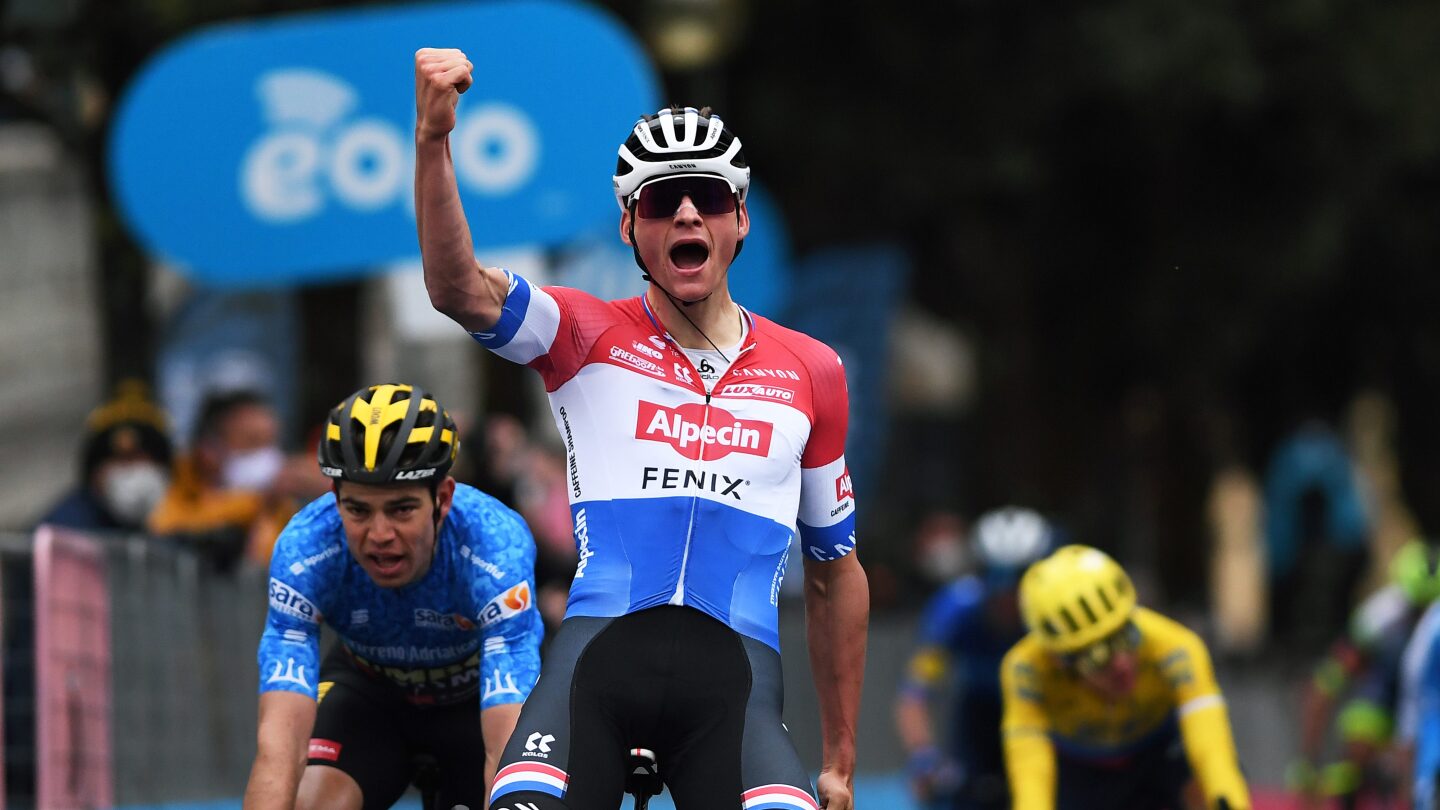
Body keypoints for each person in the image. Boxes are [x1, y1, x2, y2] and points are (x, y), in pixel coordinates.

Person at [414, 49, 869, 810]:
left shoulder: (812, 369)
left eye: (707, 198)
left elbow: (833, 570)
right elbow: (455, 286)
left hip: (737, 689)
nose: (687, 214)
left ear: (740, 219)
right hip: (595, 668)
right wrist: (433, 140)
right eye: (662, 203)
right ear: (630, 226)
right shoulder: (585, 332)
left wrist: (842, 759)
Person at [240, 383, 542, 810]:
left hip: (475, 701)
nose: (380, 535)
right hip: (369, 695)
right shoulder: (306, 549)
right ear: (335, 499)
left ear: (443, 499)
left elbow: (505, 742)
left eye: (401, 509)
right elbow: (279, 748)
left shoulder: (494, 546)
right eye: (358, 510)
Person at [1000, 545, 1250, 810]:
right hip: (1081, 772)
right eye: (1097, 656)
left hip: (1158, 757)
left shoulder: (1176, 646)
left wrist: (1228, 800)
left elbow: (1211, 748)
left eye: (1125, 635)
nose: (1121, 663)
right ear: (1058, 660)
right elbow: (1030, 769)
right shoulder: (1025, 668)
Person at [895, 506, 1055, 809]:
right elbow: (914, 696)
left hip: (1044, 717)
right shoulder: (955, 608)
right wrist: (923, 757)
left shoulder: (1052, 611)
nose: (1007, 593)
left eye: (1019, 578)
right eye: (996, 577)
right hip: (976, 723)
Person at [1289, 538, 1440, 809]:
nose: (1422, 621)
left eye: (1429, 610)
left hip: (1429, 696)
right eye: (1415, 610)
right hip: (1385, 692)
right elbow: (1325, 686)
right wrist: (1307, 762)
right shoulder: (1378, 618)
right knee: (1360, 741)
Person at [147, 388, 300, 569]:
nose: (268, 457)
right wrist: (251, 505)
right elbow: (163, 527)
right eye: (253, 442)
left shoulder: (281, 507)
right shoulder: (172, 487)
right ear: (209, 449)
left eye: (271, 443)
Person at [36, 378, 173, 532]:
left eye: (143, 460)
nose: (135, 472)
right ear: (95, 473)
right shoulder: (65, 531)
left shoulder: (165, 522)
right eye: (124, 461)